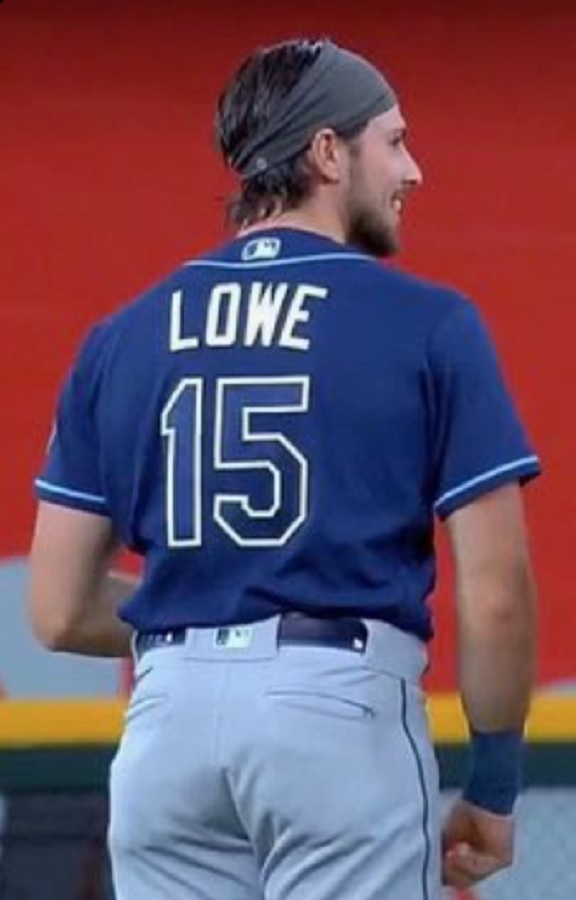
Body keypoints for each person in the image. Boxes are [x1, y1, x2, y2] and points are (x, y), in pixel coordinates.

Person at [26, 37, 541, 900]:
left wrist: (210, 610)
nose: (412, 170)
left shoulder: (122, 336)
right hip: (335, 705)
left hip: (168, 717)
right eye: (394, 140)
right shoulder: (428, 323)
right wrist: (493, 781)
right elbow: (496, 593)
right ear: (326, 152)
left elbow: (56, 609)